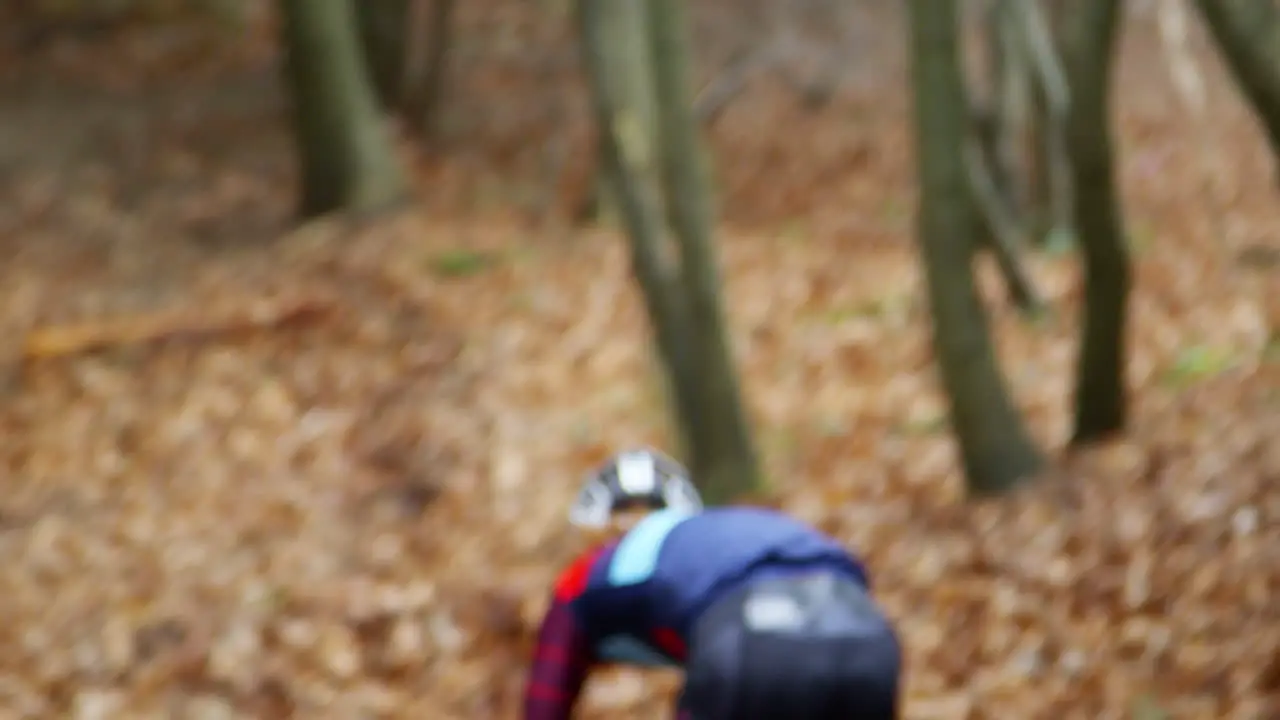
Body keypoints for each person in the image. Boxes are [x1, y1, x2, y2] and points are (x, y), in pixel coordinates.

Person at [523, 447, 902, 720]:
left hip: (749, 635)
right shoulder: (740, 532)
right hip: (866, 634)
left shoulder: (597, 570)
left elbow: (547, 697)